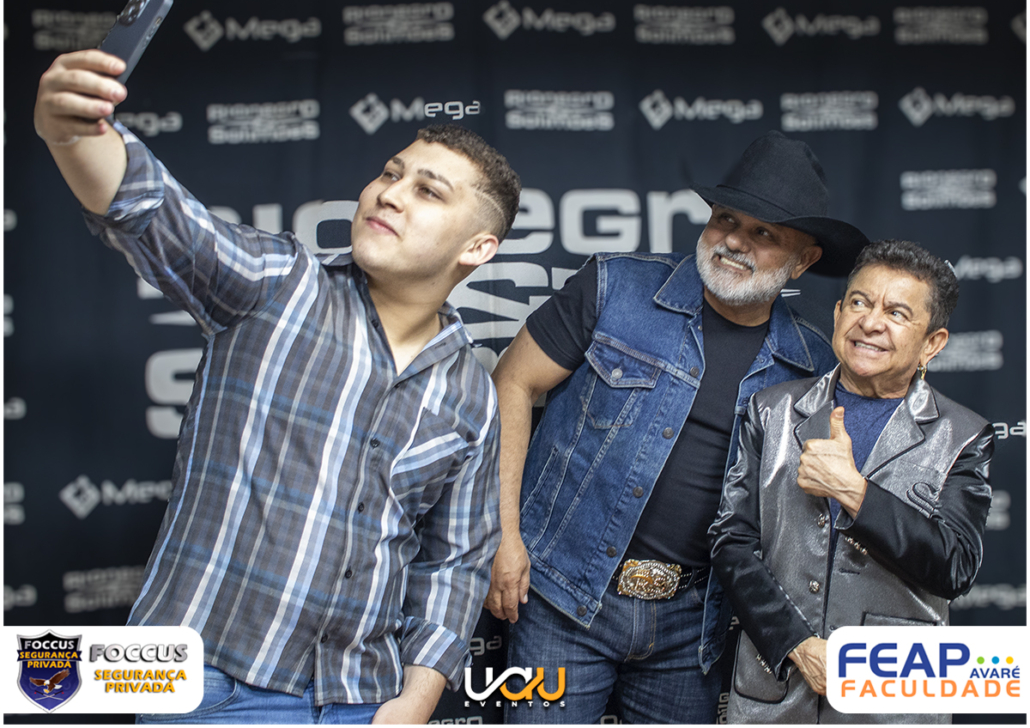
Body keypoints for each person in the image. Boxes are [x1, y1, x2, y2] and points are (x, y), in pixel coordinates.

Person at [33, 49, 521, 724]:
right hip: (203, 685)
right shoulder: (278, 287)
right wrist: (72, 132)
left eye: (428, 191)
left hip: (360, 698)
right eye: (390, 173)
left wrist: (414, 702)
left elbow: (454, 563)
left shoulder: (472, 391)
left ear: (478, 249)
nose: (390, 193)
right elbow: (154, 212)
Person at [486, 131, 869, 723]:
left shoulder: (812, 361)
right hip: (561, 597)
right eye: (725, 219)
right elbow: (512, 383)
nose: (734, 241)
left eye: (764, 234)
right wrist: (504, 537)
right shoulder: (614, 286)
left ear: (805, 260)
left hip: (694, 623)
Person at [709, 240, 994, 724]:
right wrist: (796, 644)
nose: (872, 322)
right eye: (860, 303)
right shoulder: (772, 410)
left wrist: (854, 492)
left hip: (893, 701)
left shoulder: (962, 435)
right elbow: (731, 540)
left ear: (932, 343)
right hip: (774, 692)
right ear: (839, 313)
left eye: (897, 313)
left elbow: (954, 566)